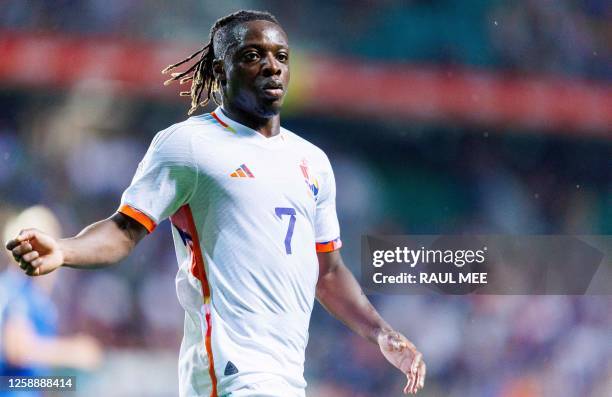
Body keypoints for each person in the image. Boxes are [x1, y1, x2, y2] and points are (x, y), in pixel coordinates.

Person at [5, 10, 425, 397]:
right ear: (222, 68)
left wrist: (382, 333)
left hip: (287, 377)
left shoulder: (313, 163)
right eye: (253, 55)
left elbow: (329, 273)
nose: (272, 65)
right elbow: (123, 229)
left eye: (281, 56)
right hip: (228, 373)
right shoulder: (189, 144)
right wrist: (64, 249)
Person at [0, 206, 102, 397]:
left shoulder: (37, 298)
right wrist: (72, 353)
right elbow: (17, 351)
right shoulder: (16, 292)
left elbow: (29, 378)